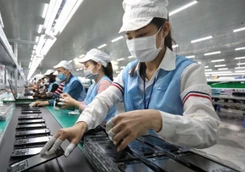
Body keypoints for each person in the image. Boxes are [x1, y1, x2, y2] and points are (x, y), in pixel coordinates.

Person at [40, 0, 220, 157]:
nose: (134, 42)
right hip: (137, 159)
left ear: (164, 30)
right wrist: (82, 124)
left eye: (141, 35)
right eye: (129, 37)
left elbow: (208, 130)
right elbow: (103, 100)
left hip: (175, 163)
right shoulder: (129, 72)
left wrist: (157, 120)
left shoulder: (188, 71)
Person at [60, 49, 117, 121]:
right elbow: (86, 104)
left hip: (101, 128)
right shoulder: (94, 85)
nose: (84, 69)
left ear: (98, 65)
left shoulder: (104, 83)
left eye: (87, 66)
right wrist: (71, 100)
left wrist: (76, 104)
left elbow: (96, 112)